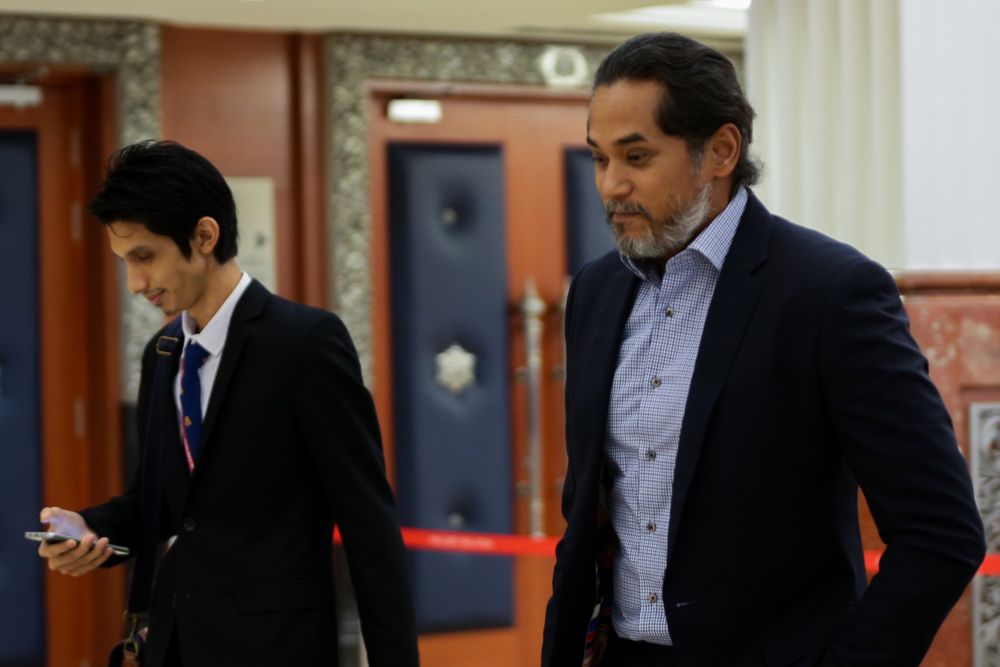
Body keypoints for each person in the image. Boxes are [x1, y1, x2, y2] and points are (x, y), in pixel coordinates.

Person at [542, 33, 986, 667]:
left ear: (720, 150)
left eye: (637, 157)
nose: (612, 185)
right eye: (599, 158)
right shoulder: (594, 291)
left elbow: (942, 535)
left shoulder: (829, 292)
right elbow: (585, 516)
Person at [35, 140, 419, 666]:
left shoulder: (305, 343)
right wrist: (88, 528)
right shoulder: (163, 354)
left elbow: (367, 522)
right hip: (174, 642)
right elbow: (165, 504)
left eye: (144, 257)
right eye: (124, 262)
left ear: (204, 235)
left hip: (277, 647)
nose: (134, 283)